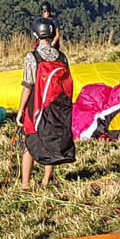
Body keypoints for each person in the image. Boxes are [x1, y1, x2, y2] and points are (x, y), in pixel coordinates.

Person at [17, 18, 75, 187]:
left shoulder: (32, 57)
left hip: (36, 106)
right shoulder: (61, 56)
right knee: (53, 140)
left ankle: (25, 184)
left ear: (36, 34)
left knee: (30, 141)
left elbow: (28, 85)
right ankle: (45, 181)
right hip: (57, 106)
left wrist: (20, 110)